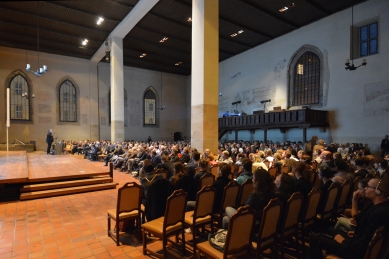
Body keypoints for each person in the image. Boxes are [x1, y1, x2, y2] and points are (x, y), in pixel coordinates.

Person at [309, 178, 389, 259]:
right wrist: (357, 233)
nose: (365, 188)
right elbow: (361, 224)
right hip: (357, 242)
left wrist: (343, 241)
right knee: (330, 229)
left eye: (368, 186)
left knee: (314, 238)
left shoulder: (378, 213)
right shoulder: (376, 205)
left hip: (356, 252)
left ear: (378, 191)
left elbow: (361, 246)